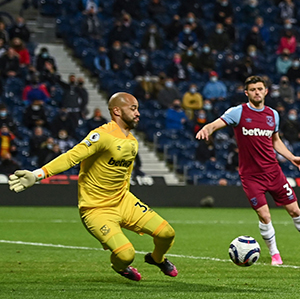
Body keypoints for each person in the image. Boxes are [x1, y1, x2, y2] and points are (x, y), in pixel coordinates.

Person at [7, 93, 177, 281]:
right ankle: (119, 267)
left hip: (123, 201)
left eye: (137, 108)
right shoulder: (102, 135)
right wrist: (37, 174)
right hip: (96, 209)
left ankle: (157, 259)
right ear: (117, 111)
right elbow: (72, 156)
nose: (138, 113)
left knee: (167, 233)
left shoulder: (132, 141)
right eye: (133, 108)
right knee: (126, 255)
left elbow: (124, 175)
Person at [195, 76, 300, 266]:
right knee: (265, 215)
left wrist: (291, 157)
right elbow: (216, 124)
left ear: (266, 91)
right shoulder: (238, 112)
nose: (257, 92)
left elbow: (275, 141)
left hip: (274, 172)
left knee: (294, 210)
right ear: (246, 92)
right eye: (253, 89)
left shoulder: (273, 115)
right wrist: (207, 128)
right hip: (251, 176)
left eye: (260, 89)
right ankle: (275, 253)